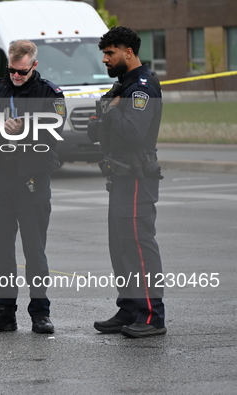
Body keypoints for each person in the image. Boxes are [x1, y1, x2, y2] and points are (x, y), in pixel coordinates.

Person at [0, 40, 66, 334]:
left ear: (34, 65)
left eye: (22, 72)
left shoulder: (49, 93)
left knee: (34, 251)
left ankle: (40, 313)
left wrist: (24, 127)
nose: (16, 76)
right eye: (11, 70)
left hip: (32, 178)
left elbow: (56, 129)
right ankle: (3, 311)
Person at [88, 26, 166, 338]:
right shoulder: (123, 85)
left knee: (138, 247)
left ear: (128, 53)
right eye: (104, 54)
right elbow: (97, 128)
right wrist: (105, 116)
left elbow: (133, 131)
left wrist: (111, 113)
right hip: (118, 176)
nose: (105, 60)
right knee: (120, 248)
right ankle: (130, 309)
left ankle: (152, 316)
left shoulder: (141, 87)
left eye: (110, 53)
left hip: (136, 178)